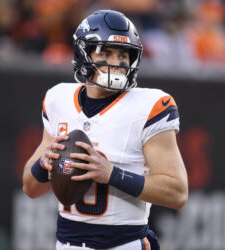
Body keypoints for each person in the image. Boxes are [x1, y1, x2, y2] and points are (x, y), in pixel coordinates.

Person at [22, 9, 188, 250]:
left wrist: (111, 174)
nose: (117, 63)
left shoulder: (149, 106)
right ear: (83, 53)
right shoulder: (58, 99)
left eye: (123, 55)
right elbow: (30, 188)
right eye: (106, 53)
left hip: (123, 244)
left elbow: (177, 193)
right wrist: (43, 164)